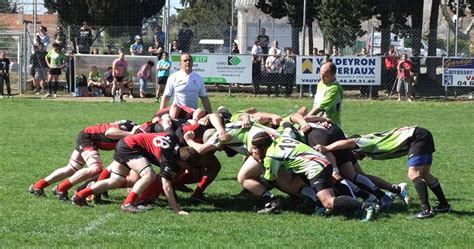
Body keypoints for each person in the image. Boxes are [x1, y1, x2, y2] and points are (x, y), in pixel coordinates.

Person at [315, 126, 451, 219]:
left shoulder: (365, 141)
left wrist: (326, 148)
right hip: (421, 135)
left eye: (356, 155)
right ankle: (444, 205)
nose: (358, 158)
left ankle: (425, 210)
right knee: (426, 174)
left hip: (417, 136)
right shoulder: (368, 148)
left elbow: (349, 142)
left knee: (414, 174)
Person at [72, 120, 197, 214]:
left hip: (127, 144)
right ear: (182, 162)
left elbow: (168, 129)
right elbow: (166, 185)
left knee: (115, 181)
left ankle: (80, 196)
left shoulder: (174, 138)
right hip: (130, 147)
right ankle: (128, 203)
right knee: (149, 176)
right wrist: (177, 209)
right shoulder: (168, 159)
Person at [251, 131, 377, 221]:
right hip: (320, 162)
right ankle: (320, 205)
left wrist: (259, 161)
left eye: (255, 148)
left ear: (262, 147)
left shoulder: (270, 157)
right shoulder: (279, 139)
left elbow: (271, 179)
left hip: (316, 169)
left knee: (329, 202)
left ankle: (365, 206)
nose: (253, 151)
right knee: (294, 185)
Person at [29, 120, 139, 200]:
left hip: (89, 137)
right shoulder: (132, 128)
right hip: (88, 137)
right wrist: (130, 133)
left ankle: (38, 186)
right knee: (96, 168)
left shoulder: (137, 131)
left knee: (71, 168)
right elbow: (109, 132)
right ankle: (61, 188)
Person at [306, 62, 344, 127]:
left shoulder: (334, 89)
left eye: (325, 76)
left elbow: (320, 108)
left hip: (330, 124)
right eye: (321, 74)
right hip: (316, 121)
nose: (322, 77)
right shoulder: (321, 83)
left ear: (333, 75)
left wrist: (306, 119)